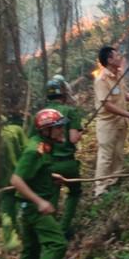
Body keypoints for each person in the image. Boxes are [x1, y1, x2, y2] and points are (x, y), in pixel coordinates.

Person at [10, 108, 69, 259]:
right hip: (33, 208)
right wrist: (40, 202)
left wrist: (50, 176)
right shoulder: (34, 150)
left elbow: (35, 172)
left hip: (26, 207)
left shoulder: (45, 145)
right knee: (58, 244)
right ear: (45, 129)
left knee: (31, 251)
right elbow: (16, 180)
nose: (61, 130)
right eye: (57, 127)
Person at [93, 46, 129, 197]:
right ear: (110, 60)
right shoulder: (101, 80)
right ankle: (100, 189)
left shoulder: (118, 74)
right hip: (107, 125)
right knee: (106, 156)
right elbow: (107, 104)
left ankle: (113, 182)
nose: (120, 57)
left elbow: (124, 94)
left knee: (118, 154)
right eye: (117, 55)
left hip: (120, 123)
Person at [44, 77, 85, 239]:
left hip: (49, 164)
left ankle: (50, 232)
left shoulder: (43, 114)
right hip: (68, 163)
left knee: (52, 196)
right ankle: (63, 228)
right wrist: (81, 132)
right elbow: (74, 138)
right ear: (64, 93)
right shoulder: (69, 112)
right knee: (75, 192)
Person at [0, 112, 28, 250]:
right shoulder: (15, 130)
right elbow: (28, 151)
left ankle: (11, 243)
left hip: (3, 183)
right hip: (21, 177)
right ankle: (23, 237)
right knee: (24, 208)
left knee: (7, 212)